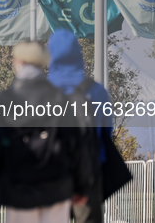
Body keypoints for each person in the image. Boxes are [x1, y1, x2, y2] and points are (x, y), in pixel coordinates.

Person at [0, 41, 93, 223]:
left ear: (18, 62)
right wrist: (81, 187)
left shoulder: (5, 100)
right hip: (57, 187)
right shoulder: (61, 98)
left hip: (17, 189)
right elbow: (76, 144)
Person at [47, 29, 113, 223]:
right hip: (89, 170)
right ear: (78, 54)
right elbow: (107, 131)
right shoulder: (96, 90)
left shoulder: (44, 90)